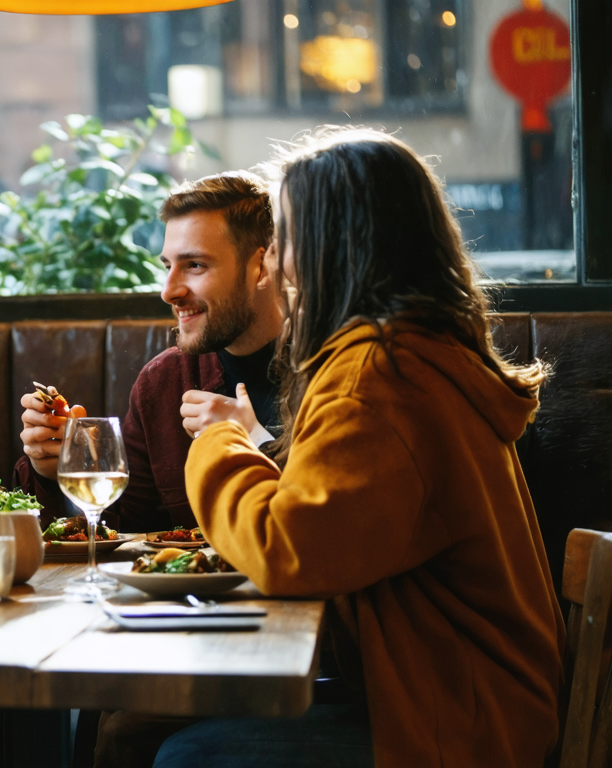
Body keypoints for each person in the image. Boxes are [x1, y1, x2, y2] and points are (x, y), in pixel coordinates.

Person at [163, 128, 563, 767]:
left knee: (190, 758)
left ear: (328, 247)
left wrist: (219, 440)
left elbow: (286, 550)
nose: (278, 262)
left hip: (453, 720)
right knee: (139, 732)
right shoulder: (420, 352)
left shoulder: (379, 378)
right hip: (461, 690)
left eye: (286, 237)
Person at [13, 172, 285, 533]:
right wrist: (55, 470)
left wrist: (252, 442)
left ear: (261, 267)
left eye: (195, 265)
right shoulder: (165, 382)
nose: (169, 291)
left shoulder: (332, 372)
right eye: (168, 266)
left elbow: (331, 520)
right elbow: (127, 532)